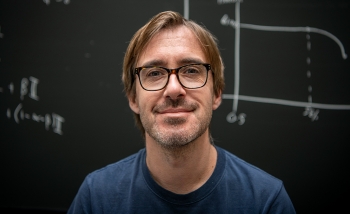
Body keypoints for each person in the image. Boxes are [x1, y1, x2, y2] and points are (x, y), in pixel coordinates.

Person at [68, 11, 296, 213]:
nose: (174, 89)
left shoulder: (266, 202)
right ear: (133, 98)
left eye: (191, 70)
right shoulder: (96, 198)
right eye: (154, 73)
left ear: (216, 93)